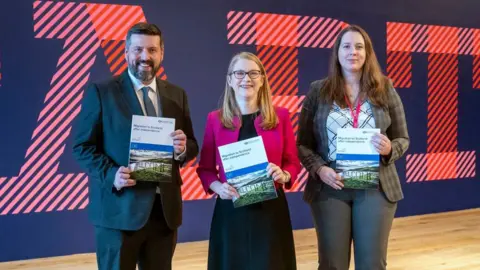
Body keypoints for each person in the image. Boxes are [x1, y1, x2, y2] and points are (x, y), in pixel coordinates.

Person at [72, 22, 198, 270]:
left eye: (152, 50)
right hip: (119, 213)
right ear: (126, 52)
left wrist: (183, 149)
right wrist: (111, 175)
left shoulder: (177, 94)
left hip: (164, 214)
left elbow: (192, 144)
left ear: (161, 53)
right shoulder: (102, 92)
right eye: (138, 49)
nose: (145, 57)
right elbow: (82, 146)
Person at [297, 25, 409, 270]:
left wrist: (390, 148)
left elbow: (403, 139)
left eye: (359, 46)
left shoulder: (385, 88)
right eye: (346, 46)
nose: (353, 52)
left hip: (376, 185)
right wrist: (319, 169)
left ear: (367, 52)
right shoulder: (318, 91)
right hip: (330, 185)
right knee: (332, 264)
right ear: (337, 52)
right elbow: (303, 144)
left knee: (371, 264)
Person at [196, 52, 301, 270]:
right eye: (240, 73)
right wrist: (218, 187)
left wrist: (285, 175)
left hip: (270, 209)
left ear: (262, 79)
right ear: (230, 80)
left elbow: (292, 162)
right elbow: (205, 169)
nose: (247, 79)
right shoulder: (214, 120)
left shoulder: (280, 116)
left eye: (254, 73)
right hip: (231, 210)